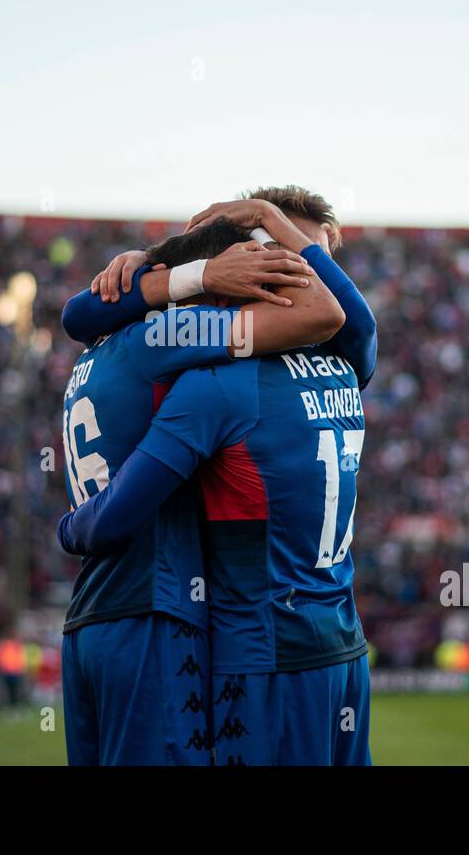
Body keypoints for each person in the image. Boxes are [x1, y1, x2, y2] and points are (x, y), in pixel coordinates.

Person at [56, 188, 374, 765]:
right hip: (224, 631)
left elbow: (77, 315)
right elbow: (342, 320)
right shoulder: (341, 372)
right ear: (252, 264)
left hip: (110, 616)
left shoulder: (166, 361)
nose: (318, 274)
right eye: (299, 257)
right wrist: (177, 264)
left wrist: (166, 267)